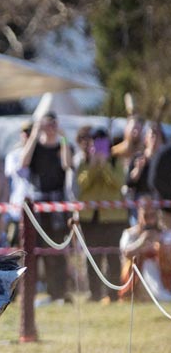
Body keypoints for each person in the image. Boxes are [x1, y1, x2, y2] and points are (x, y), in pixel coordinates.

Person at [20, 111, 73, 304]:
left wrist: (64, 137)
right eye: (46, 124)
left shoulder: (62, 145)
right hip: (38, 206)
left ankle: (58, 292)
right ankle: (31, 294)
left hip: (57, 206)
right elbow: (24, 162)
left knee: (56, 250)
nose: (49, 127)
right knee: (35, 250)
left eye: (53, 124)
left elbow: (68, 164)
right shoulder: (36, 147)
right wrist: (35, 133)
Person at [74, 127, 127, 303]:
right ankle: (95, 293)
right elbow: (82, 184)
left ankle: (113, 294)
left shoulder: (115, 161)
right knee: (93, 257)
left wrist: (104, 166)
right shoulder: (85, 162)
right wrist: (94, 165)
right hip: (90, 218)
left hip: (113, 219)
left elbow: (118, 183)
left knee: (112, 257)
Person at [119, 197, 171, 301]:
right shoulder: (130, 233)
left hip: (162, 277)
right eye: (146, 216)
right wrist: (142, 242)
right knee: (146, 261)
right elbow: (126, 253)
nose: (150, 220)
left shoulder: (165, 234)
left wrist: (159, 245)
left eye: (152, 215)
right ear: (139, 216)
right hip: (136, 277)